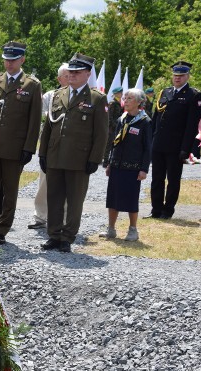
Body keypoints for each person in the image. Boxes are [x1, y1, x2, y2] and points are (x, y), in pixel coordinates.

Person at [39, 52, 109, 253]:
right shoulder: (58, 95)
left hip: (79, 158)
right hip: (55, 155)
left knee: (75, 199)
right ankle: (53, 234)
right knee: (54, 197)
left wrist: (95, 158)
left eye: (77, 72)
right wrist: (43, 153)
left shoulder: (96, 98)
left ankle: (67, 237)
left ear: (88, 74)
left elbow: (101, 133)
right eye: (70, 72)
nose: (72, 75)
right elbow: (48, 127)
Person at [0, 41, 42, 245]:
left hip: (14, 148)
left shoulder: (31, 84)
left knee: (10, 191)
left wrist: (29, 147)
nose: (9, 63)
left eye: (13, 60)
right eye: (6, 59)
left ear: (22, 59)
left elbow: (34, 119)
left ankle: (2, 229)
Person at [148, 61, 201, 219]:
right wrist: (151, 141)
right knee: (157, 178)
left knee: (173, 180)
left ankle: (168, 210)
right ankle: (156, 209)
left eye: (181, 76)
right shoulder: (165, 92)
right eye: (175, 75)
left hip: (176, 145)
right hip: (159, 143)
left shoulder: (193, 95)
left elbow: (191, 125)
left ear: (187, 76)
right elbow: (155, 119)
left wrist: (186, 148)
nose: (177, 78)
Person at [100, 88, 152, 241]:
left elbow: (147, 148)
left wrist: (144, 169)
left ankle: (133, 230)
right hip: (117, 164)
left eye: (129, 98)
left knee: (130, 199)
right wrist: (110, 162)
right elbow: (114, 142)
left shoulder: (145, 122)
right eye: (125, 98)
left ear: (139, 102)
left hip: (133, 167)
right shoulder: (121, 119)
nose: (126, 101)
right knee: (113, 198)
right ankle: (111, 229)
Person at [29, 63, 69, 229]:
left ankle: (65, 219)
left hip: (70, 147)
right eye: (66, 75)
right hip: (51, 145)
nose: (70, 78)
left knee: (68, 184)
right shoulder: (50, 96)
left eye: (72, 74)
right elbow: (39, 117)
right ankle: (41, 216)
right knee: (45, 181)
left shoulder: (82, 96)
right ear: (59, 78)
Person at [104, 86, 123, 167]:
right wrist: (114, 125)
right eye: (120, 93)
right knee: (108, 144)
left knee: (114, 144)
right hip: (112, 127)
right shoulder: (112, 103)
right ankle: (105, 161)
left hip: (117, 126)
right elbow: (109, 116)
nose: (121, 94)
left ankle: (111, 160)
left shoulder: (119, 103)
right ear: (116, 94)